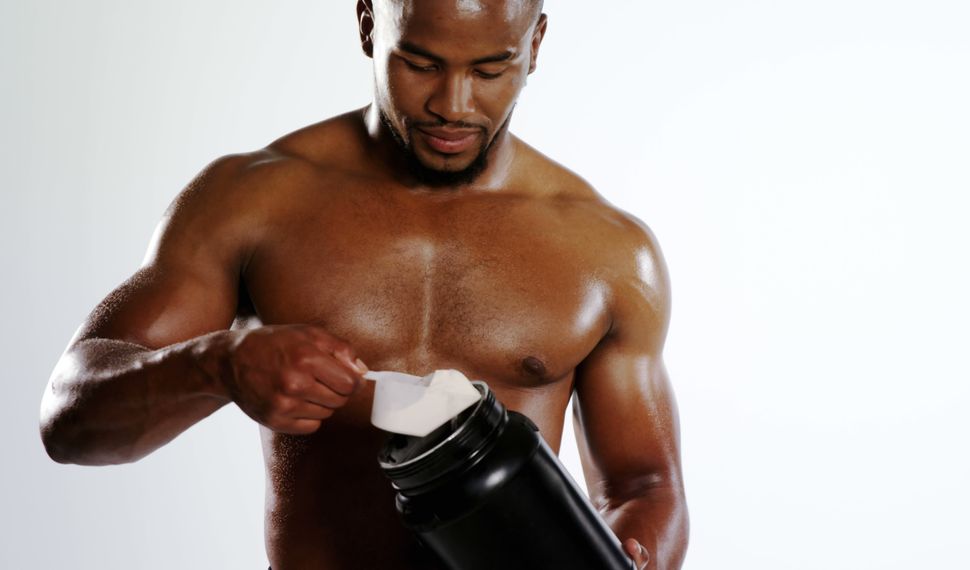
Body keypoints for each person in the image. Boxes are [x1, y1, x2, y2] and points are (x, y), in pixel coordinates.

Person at [38, 0, 690, 568]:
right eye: (421, 63)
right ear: (367, 23)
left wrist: (628, 553)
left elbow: (644, 485)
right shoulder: (253, 203)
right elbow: (69, 419)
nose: (453, 104)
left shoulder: (607, 252)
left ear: (536, 44)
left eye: (491, 69)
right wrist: (216, 365)